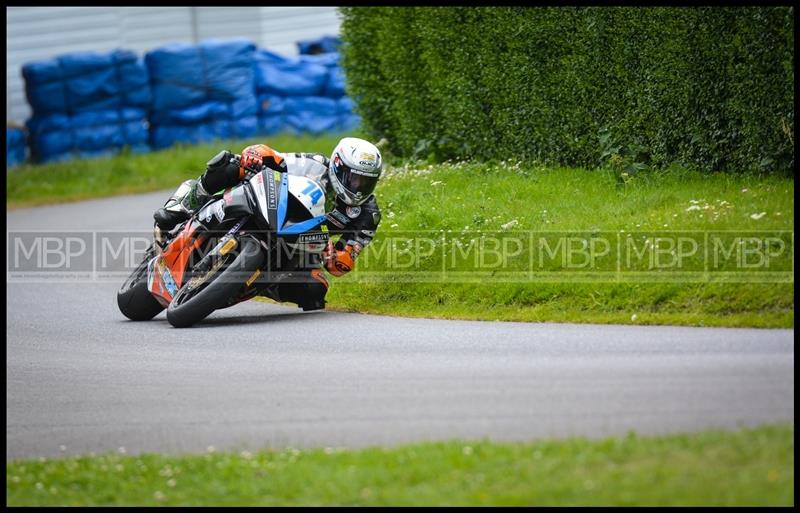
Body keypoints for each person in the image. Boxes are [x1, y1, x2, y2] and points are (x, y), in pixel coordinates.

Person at [153, 137, 383, 311]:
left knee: (315, 291)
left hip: (303, 245)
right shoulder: (315, 164)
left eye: (367, 182)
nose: (359, 187)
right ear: (338, 167)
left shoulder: (367, 214)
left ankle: (252, 284)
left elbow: (348, 255)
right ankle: (181, 205)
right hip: (275, 209)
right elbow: (276, 158)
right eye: (354, 178)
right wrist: (257, 155)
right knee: (230, 163)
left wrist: (339, 257)